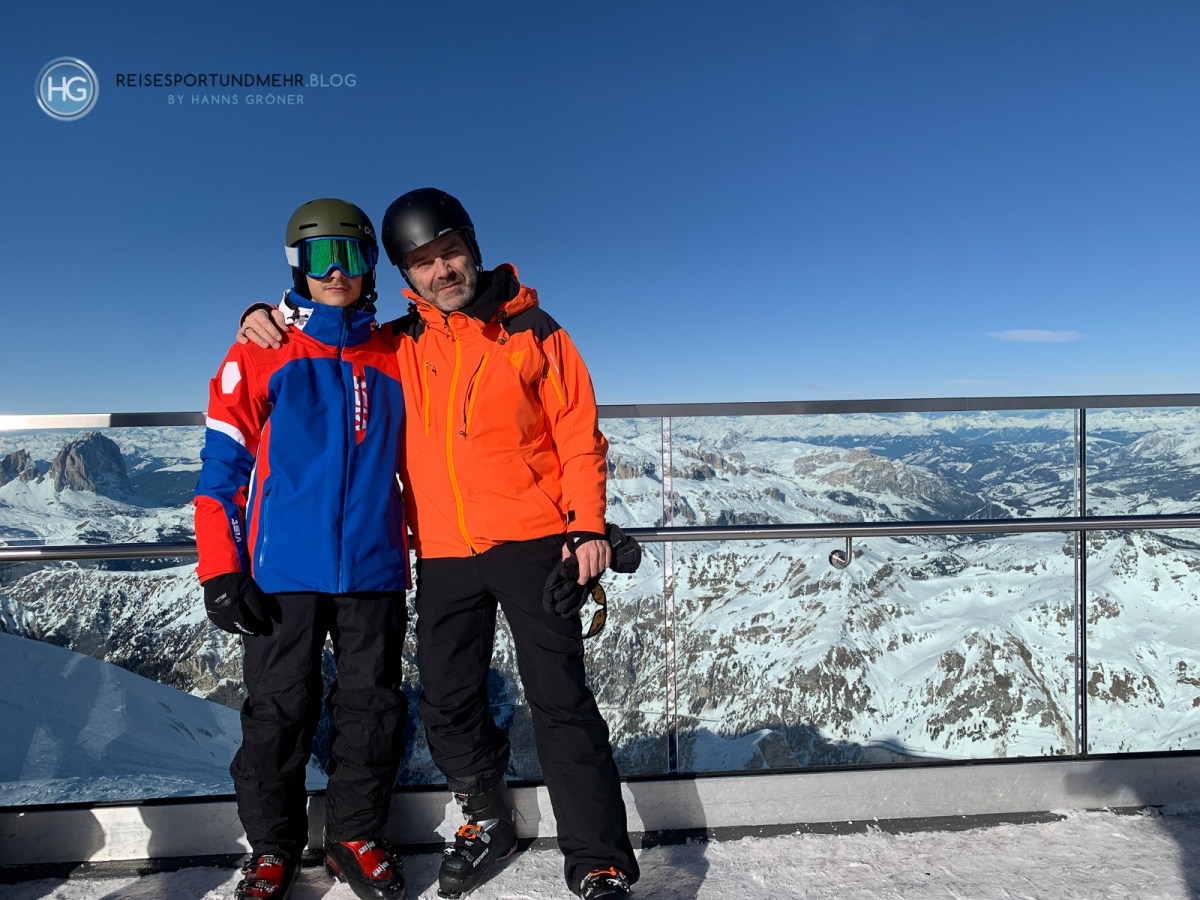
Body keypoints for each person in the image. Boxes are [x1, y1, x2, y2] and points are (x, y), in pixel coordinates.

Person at [240, 188, 640, 899]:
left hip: (533, 542)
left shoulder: (536, 331)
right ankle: (487, 818)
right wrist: (262, 313)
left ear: (473, 250)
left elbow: (579, 434)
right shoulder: (399, 343)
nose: (441, 271)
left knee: (561, 702)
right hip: (444, 551)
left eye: (450, 253)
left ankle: (598, 860)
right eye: (422, 262)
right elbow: (329, 335)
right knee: (448, 700)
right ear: (404, 274)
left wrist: (585, 524)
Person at [196, 198, 409, 900]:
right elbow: (221, 469)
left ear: (371, 265)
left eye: (352, 255)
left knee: (372, 710)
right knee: (277, 714)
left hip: (374, 567)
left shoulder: (398, 354)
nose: (337, 270)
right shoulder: (260, 352)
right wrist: (221, 567)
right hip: (281, 570)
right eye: (320, 257)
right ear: (298, 267)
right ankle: (273, 847)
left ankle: (354, 836)